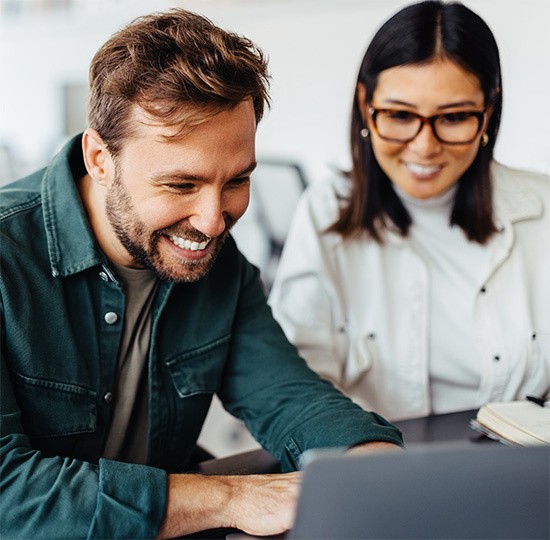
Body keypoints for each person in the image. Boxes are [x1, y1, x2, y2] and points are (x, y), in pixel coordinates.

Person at [0, 9, 404, 540]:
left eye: (236, 180)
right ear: (100, 159)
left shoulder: (215, 262)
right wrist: (233, 497)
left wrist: (376, 467)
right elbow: (10, 494)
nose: (213, 222)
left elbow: (288, 396)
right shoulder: (9, 258)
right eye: (180, 185)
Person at [269, 0, 550, 422]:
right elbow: (295, 384)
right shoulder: (325, 211)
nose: (424, 146)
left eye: (453, 117)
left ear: (487, 111)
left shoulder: (543, 210)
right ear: (366, 104)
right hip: (376, 467)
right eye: (400, 115)